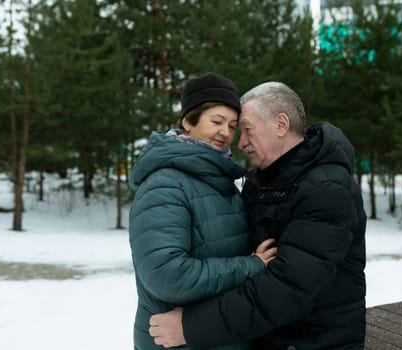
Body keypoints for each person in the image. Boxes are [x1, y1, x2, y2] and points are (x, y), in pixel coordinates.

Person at [149, 81, 367, 350]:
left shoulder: (326, 188)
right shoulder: (263, 183)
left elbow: (288, 287)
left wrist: (191, 327)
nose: (239, 142)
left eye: (245, 129)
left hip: (314, 342)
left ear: (280, 124)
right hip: (268, 338)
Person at [128, 72, 277, 350]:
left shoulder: (222, 182)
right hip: (174, 342)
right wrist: (250, 266)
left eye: (233, 126)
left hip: (215, 335)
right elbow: (168, 276)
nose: (225, 133)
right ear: (188, 121)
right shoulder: (165, 184)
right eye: (217, 121)